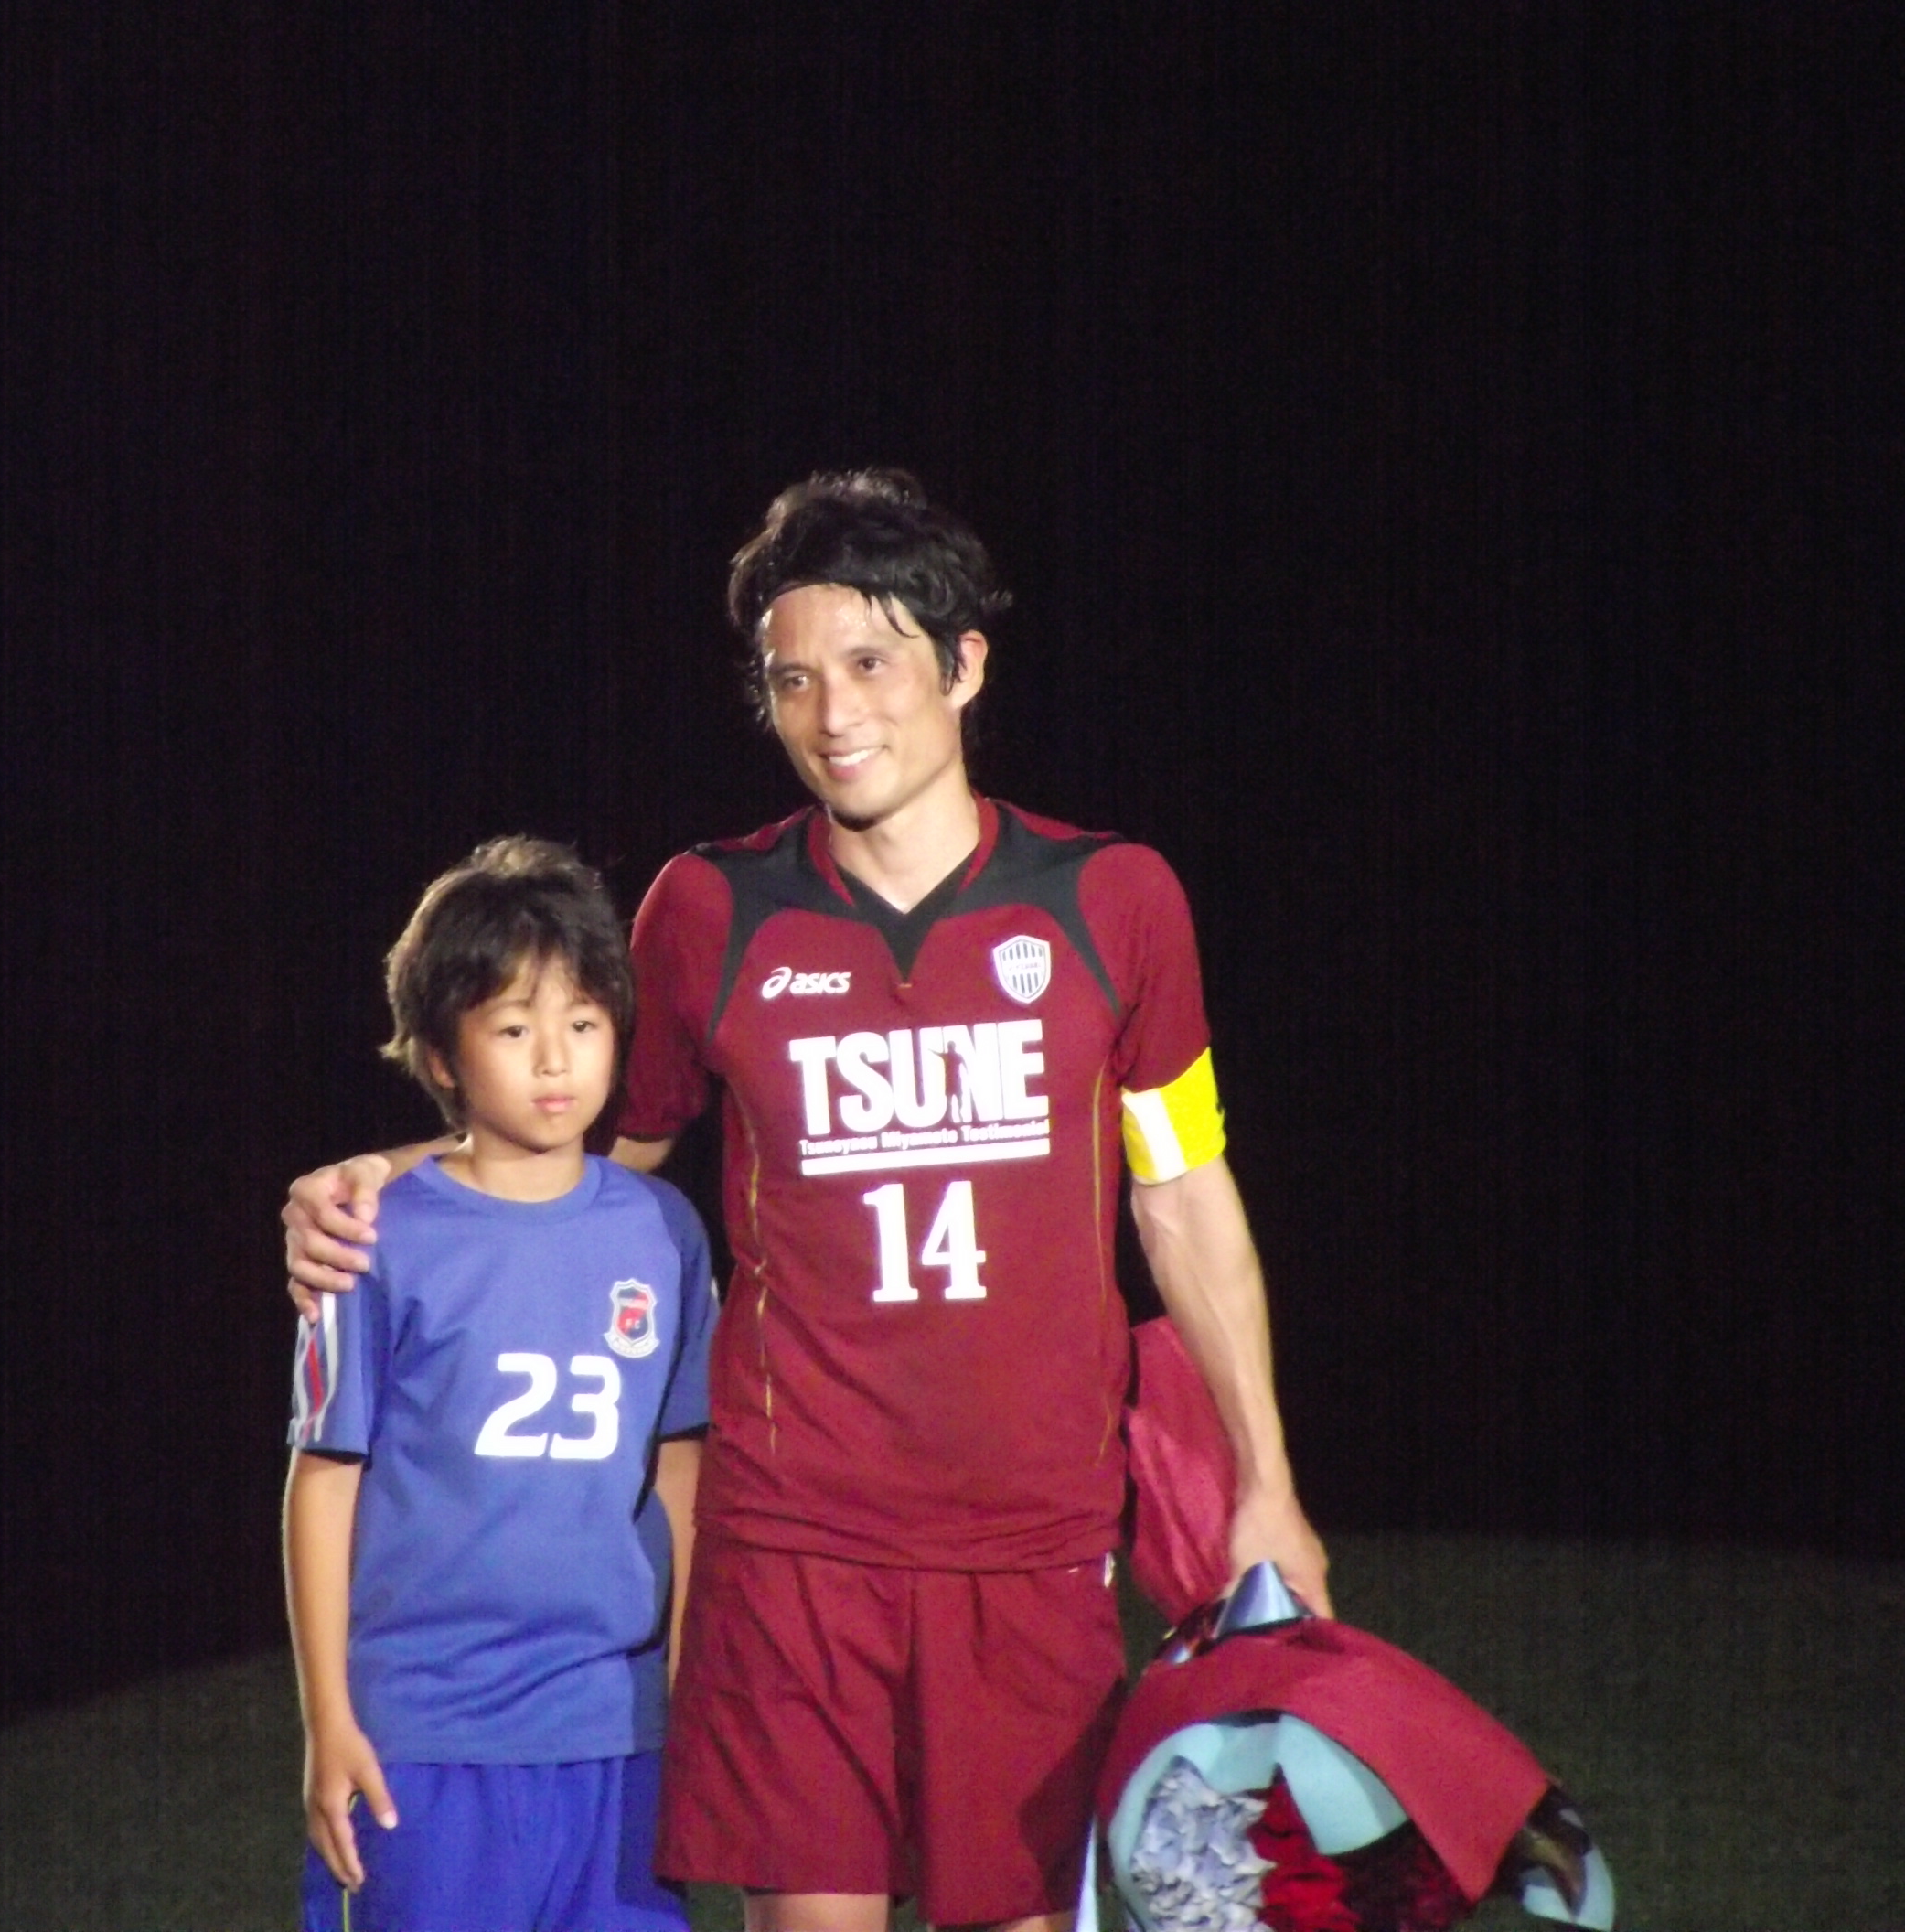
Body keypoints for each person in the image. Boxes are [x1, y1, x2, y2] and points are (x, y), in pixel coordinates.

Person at [285, 472, 1329, 1932]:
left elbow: (1184, 1197)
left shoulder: (1116, 902)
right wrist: (388, 1177)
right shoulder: (710, 910)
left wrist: (1266, 1483)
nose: (834, 713)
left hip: (1032, 1539)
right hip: (792, 1543)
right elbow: (594, 1156)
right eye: (793, 679)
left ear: (965, 666)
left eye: (872, 663)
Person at [283, 835, 716, 1932]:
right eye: (514, 1029)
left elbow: (681, 1465)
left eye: (584, 1022)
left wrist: (686, 1673)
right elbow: (323, 1480)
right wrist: (328, 1718)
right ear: (440, 1056)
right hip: (426, 1737)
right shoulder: (370, 1236)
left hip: (616, 1732)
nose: (554, 1060)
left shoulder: (662, 1230)